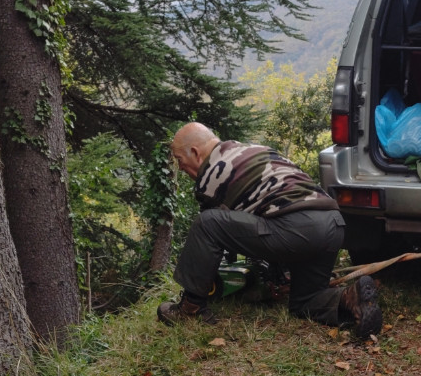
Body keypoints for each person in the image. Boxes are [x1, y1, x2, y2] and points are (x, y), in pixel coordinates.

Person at [159, 122, 382, 338]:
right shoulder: (253, 149)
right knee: (304, 301)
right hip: (333, 224)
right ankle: (351, 299)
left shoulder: (209, 176)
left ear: (195, 152)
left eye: (179, 160)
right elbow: (264, 212)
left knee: (206, 223)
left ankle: (191, 308)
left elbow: (220, 235)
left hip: (295, 230)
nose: (180, 167)